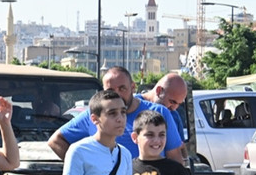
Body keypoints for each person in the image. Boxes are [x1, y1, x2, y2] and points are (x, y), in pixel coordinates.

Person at [48, 66, 184, 164]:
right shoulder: (94, 115)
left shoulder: (160, 112)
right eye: (111, 90)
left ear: (133, 87)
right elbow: (56, 141)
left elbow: (175, 158)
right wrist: (84, 170)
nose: (117, 94)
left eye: (122, 88)